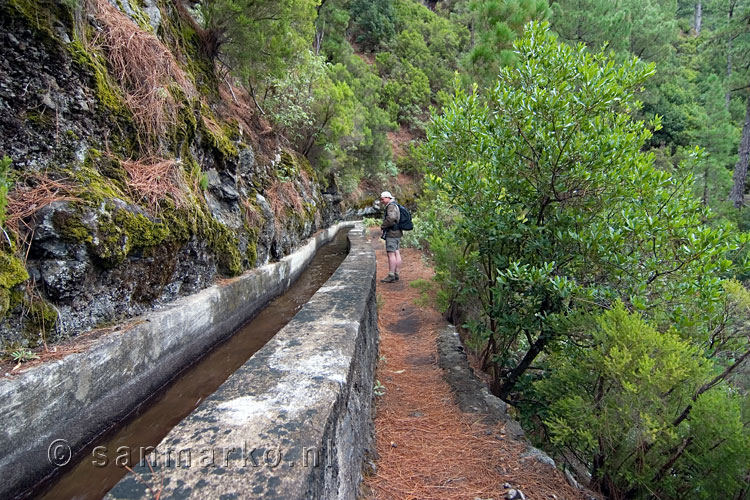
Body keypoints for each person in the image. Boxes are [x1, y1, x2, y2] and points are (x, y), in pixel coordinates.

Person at [379, 191, 402, 283]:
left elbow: (391, 218)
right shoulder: (395, 205)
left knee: (391, 254)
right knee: (396, 252)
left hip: (392, 233)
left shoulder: (391, 206)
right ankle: (397, 273)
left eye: (383, 199)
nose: (382, 201)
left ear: (388, 198)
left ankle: (391, 275)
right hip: (397, 232)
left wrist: (383, 226)